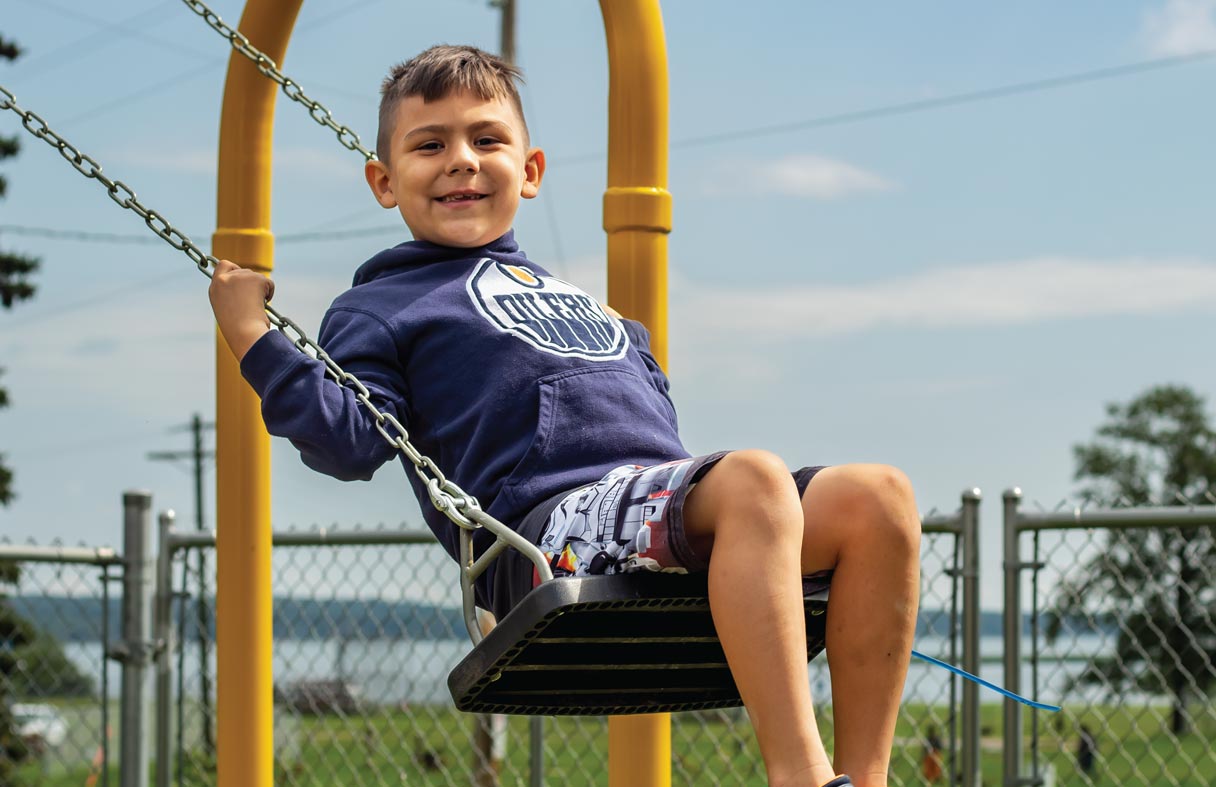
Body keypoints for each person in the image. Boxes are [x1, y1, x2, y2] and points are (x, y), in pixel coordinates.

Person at [207, 45, 921, 787]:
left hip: (653, 504)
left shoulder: (579, 298)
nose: (461, 160)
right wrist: (251, 335)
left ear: (532, 170)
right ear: (384, 182)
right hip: (545, 538)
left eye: (487, 139)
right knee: (755, 479)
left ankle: (864, 777)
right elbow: (345, 440)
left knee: (880, 497)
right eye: (430, 144)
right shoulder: (381, 306)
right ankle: (801, 778)